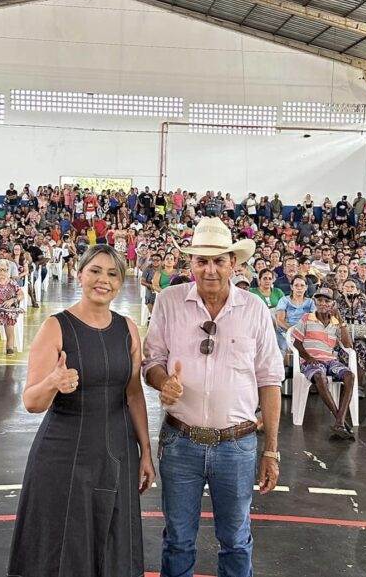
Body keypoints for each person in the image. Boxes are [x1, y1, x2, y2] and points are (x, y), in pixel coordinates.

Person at [142, 217, 281, 577]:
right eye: (202, 261)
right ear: (190, 264)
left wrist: (271, 450)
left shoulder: (254, 309)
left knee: (236, 540)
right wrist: (162, 382)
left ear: (234, 263)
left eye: (219, 260)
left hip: (237, 445)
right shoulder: (169, 302)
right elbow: (151, 362)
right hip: (179, 441)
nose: (210, 269)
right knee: (177, 540)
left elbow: (270, 379)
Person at [9, 245, 153, 576]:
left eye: (112, 274)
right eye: (96, 271)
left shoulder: (128, 328)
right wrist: (53, 383)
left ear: (121, 282)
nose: (103, 280)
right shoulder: (55, 327)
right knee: (63, 548)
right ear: (80, 274)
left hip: (118, 452)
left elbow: (133, 393)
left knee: (113, 543)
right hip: (64, 455)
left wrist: (145, 451)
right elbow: (31, 402)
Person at [289, 288, 357, 440]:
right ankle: (340, 420)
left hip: (329, 360)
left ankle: (339, 420)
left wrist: (341, 320)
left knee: (349, 376)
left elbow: (348, 344)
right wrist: (308, 357)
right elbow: (297, 344)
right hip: (310, 360)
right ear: (315, 302)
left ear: (333, 303)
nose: (323, 303)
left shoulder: (335, 323)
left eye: (327, 301)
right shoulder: (307, 318)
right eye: (319, 300)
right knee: (319, 376)